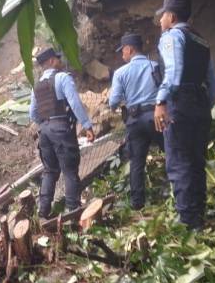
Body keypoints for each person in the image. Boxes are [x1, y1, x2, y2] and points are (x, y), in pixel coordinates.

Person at [153, 0, 215, 229]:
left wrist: (161, 101)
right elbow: (213, 81)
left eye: (163, 15)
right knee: (196, 163)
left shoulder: (171, 36)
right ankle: (198, 217)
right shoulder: (201, 40)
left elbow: (173, 71)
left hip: (179, 104)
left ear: (171, 17)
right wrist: (204, 105)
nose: (160, 20)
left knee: (180, 162)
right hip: (200, 105)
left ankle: (188, 226)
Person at [29, 48, 95, 219]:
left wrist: (45, 124)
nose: (60, 61)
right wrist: (87, 125)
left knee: (50, 171)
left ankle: (43, 211)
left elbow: (33, 114)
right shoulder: (62, 78)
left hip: (44, 131)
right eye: (57, 59)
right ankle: (72, 211)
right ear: (51, 61)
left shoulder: (36, 86)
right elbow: (75, 103)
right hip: (61, 129)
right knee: (69, 171)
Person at [109, 33, 164, 210]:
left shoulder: (120, 73)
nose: (122, 55)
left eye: (122, 51)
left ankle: (137, 203)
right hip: (155, 116)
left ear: (129, 49)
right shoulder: (154, 65)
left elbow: (113, 102)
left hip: (134, 120)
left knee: (137, 162)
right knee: (171, 151)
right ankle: (176, 192)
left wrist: (126, 97)